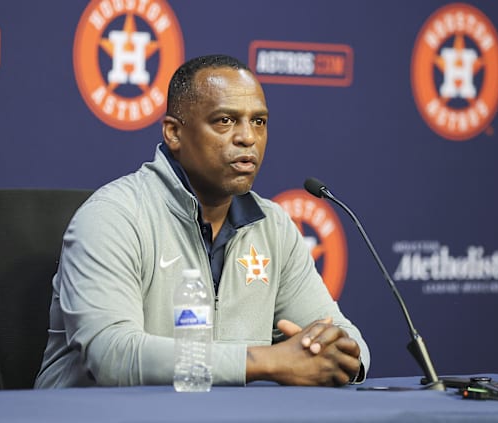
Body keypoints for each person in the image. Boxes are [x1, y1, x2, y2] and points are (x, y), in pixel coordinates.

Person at [34, 54, 370, 388]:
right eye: (225, 121)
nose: (247, 138)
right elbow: (112, 357)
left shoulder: (273, 226)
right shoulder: (113, 216)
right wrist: (267, 361)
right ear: (174, 133)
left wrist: (335, 354)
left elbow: (347, 337)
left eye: (259, 122)